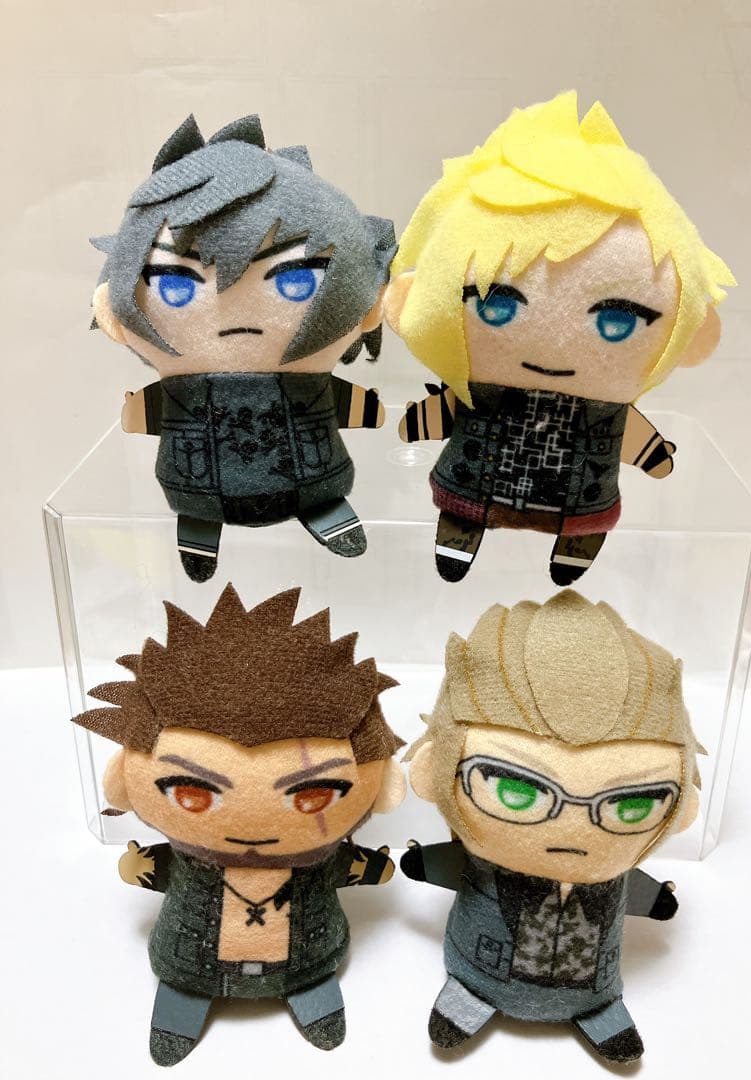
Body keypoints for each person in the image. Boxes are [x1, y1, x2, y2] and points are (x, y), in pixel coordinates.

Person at [385, 91, 734, 583]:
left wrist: (654, 454)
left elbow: (631, 435)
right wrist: (415, 421)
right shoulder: (510, 395)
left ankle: (569, 543)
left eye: (617, 322)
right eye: (497, 306)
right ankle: (465, 538)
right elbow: (445, 410)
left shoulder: (583, 404)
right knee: (474, 505)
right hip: (488, 486)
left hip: (563, 498)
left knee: (568, 515)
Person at [73, 584, 405, 1064]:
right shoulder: (187, 857)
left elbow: (346, 866)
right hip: (188, 965)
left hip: (309, 962)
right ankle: (183, 1004)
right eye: (191, 794)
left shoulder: (320, 857)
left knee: (311, 978)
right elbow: (161, 869)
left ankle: (311, 992)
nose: (252, 829)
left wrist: (377, 868)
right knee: (185, 985)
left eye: (312, 795)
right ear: (122, 779)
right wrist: (141, 867)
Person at [401, 590, 702, 1063]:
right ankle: (470, 992)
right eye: (516, 791)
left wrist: (655, 899)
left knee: (597, 997)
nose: (570, 826)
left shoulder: (611, 876)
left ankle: (600, 1008)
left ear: (681, 808)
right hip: (481, 967)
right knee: (472, 985)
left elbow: (630, 889)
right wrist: (424, 862)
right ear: (434, 772)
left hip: (593, 982)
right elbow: (455, 863)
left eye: (629, 806)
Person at [92, 115, 396, 581]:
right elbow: (142, 414)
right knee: (201, 499)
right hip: (205, 481)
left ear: (370, 302)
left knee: (311, 486)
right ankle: (200, 529)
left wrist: (375, 411)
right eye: (176, 285)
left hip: (302, 474)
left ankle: (322, 512)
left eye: (295, 280)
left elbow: (352, 404)